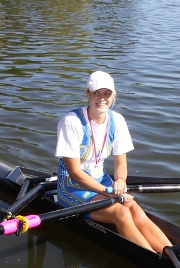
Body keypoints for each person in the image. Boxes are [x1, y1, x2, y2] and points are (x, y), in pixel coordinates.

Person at [55, 70, 171, 253]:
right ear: (87, 94)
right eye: (96, 93)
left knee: (134, 208)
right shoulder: (71, 122)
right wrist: (109, 192)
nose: (102, 98)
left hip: (102, 181)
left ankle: (174, 255)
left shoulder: (117, 120)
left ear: (113, 96)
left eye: (107, 93)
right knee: (121, 212)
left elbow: (121, 163)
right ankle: (156, 262)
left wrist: (120, 181)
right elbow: (75, 173)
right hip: (72, 186)